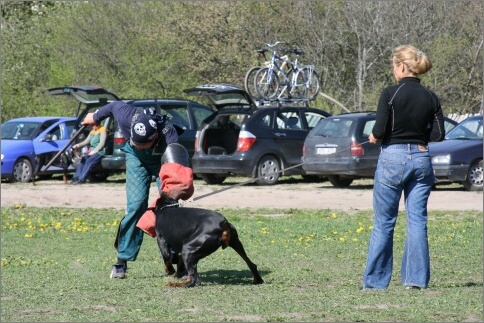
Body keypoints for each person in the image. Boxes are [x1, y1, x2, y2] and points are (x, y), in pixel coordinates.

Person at [362, 45, 445, 290]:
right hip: (421, 158)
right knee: (417, 221)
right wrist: (417, 137)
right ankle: (416, 281)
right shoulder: (431, 97)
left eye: (393, 67)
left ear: (401, 66)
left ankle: (376, 283)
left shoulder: (390, 93)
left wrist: (376, 137)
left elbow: (378, 130)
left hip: (392, 159)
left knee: (384, 222)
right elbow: (439, 134)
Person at [81, 102, 194, 279]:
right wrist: (95, 117)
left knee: (170, 208)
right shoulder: (126, 116)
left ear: (155, 136)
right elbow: (113, 106)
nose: (138, 145)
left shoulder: (168, 135)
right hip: (136, 160)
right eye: (135, 141)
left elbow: (178, 175)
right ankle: (121, 261)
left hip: (162, 161)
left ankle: (175, 258)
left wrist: (175, 193)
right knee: (135, 206)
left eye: (143, 144)